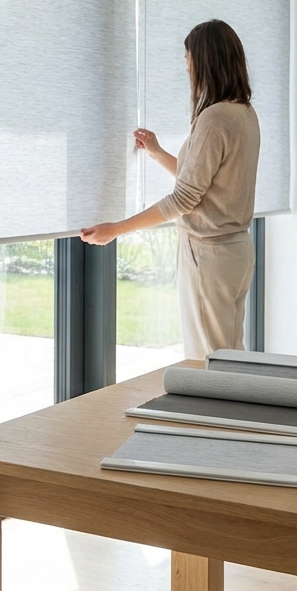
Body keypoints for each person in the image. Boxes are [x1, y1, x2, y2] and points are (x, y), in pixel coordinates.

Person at [80, 19, 260, 359]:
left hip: (208, 254)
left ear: (205, 61)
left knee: (210, 358)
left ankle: (220, 412)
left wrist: (116, 229)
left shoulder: (215, 118)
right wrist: (159, 153)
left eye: (188, 58)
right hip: (236, 251)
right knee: (231, 352)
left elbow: (186, 197)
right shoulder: (244, 113)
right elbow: (206, 183)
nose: (187, 67)